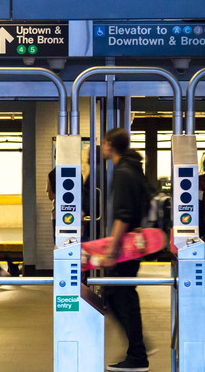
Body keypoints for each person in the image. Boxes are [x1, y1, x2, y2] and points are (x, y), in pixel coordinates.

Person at [101, 128, 150, 372]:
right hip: (135, 244)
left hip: (125, 246)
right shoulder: (134, 168)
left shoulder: (122, 172)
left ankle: (138, 354)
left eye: (103, 143)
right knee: (117, 293)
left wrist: (111, 249)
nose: (101, 146)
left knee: (119, 294)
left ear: (110, 145)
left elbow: (123, 215)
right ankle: (138, 347)